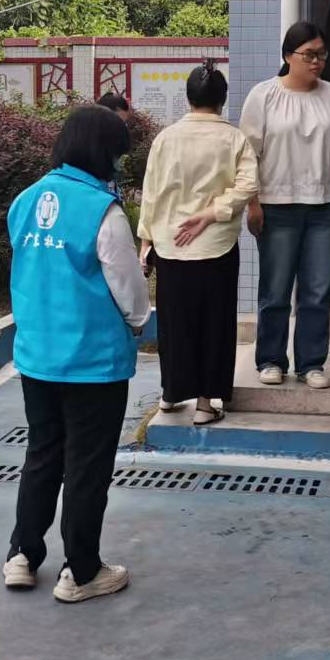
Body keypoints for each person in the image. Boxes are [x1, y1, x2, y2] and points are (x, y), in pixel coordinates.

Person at [4, 104, 150, 603]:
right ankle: (82, 572)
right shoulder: (102, 211)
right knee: (87, 466)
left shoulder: (25, 200)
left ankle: (22, 555)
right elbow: (128, 287)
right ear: (103, 152)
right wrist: (138, 322)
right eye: (118, 153)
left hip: (37, 355)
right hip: (93, 362)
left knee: (43, 454)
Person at [137, 62, 258, 425]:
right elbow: (248, 186)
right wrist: (211, 213)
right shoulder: (235, 139)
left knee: (175, 323)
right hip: (217, 247)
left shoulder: (165, 138)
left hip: (170, 244)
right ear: (223, 100)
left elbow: (151, 194)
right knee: (214, 324)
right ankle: (205, 404)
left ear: (188, 97)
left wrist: (145, 242)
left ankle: (171, 394)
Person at [242, 21, 330, 389]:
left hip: (324, 207)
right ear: (288, 56)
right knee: (275, 290)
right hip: (276, 206)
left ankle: (311, 363)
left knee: (317, 291)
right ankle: (271, 360)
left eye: (321, 54)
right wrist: (253, 204)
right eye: (309, 55)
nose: (317, 61)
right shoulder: (263, 95)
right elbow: (248, 156)